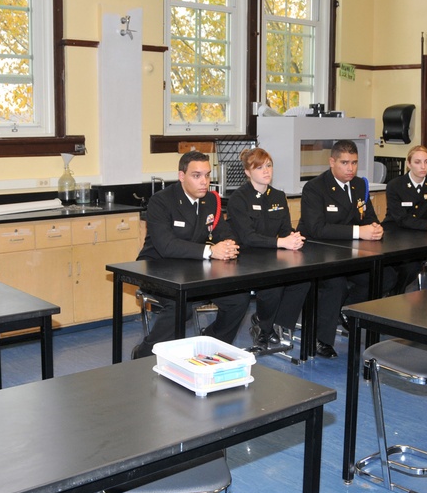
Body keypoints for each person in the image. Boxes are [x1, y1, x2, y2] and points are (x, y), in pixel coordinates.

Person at [131, 151, 251, 359]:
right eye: (197, 175)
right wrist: (211, 251)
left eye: (207, 175)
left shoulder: (211, 201)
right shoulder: (161, 201)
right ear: (181, 176)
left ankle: (211, 343)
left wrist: (229, 244)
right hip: (157, 268)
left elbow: (224, 230)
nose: (204, 182)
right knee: (181, 305)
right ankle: (145, 353)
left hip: (195, 270)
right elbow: (166, 246)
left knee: (238, 297)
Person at [299, 139, 384, 359]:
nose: (350, 168)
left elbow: (370, 217)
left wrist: (375, 228)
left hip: (350, 251)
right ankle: (322, 339)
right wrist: (359, 232)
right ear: (332, 162)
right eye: (345, 163)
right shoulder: (314, 188)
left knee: (383, 276)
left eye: (354, 163)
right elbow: (317, 229)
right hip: (317, 251)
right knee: (335, 284)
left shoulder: (359, 185)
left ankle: (345, 311)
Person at [227, 147, 308, 353]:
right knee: (273, 282)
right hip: (248, 256)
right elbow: (247, 237)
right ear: (247, 172)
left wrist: (293, 238)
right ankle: (264, 328)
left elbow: (285, 229)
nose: (266, 171)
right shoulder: (239, 198)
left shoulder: (278, 196)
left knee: (303, 279)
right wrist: (282, 242)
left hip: (275, 253)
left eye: (269, 166)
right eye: (260, 167)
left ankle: (275, 324)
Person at [381, 144, 427, 292]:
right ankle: (394, 293)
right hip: (395, 233)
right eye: (417, 162)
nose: (423, 166)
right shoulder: (395, 185)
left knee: (413, 265)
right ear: (408, 164)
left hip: (419, 234)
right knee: (405, 267)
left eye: (426, 162)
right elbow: (401, 219)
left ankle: (395, 293)